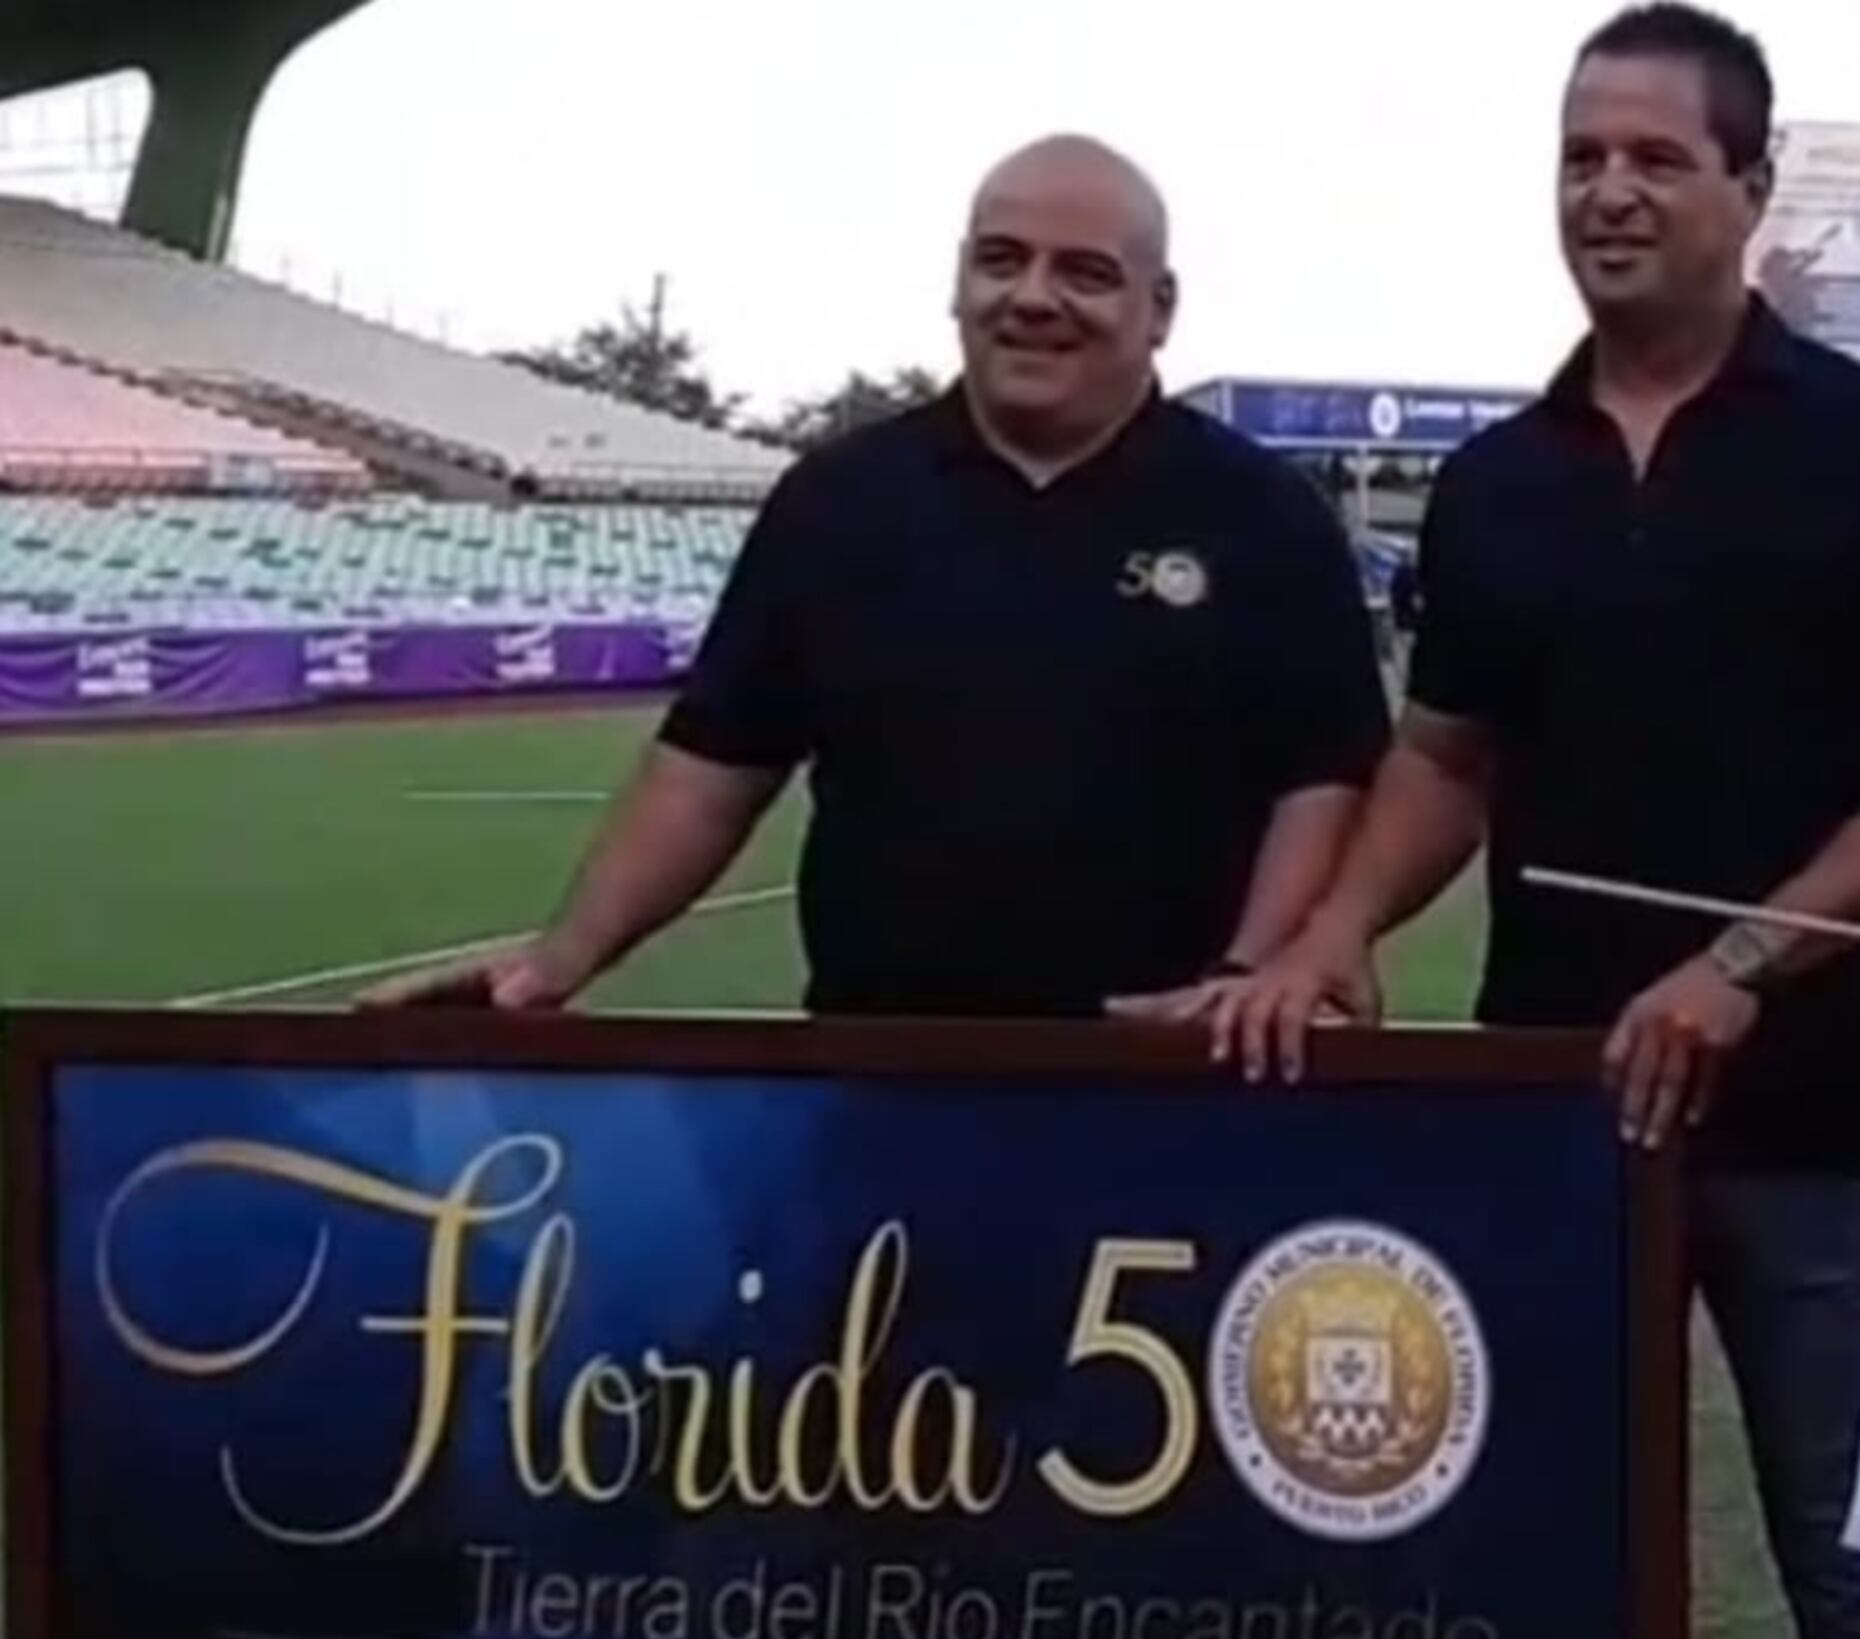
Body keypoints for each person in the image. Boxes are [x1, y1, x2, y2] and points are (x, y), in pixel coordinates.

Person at [1211, 9, 1860, 1639]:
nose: (1609, 190)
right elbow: (1444, 761)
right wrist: (1335, 932)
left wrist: (1744, 966)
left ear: (1750, 188)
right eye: (1582, 155)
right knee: (1538, 1558)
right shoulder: (1500, 480)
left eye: (1658, 156)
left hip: (1812, 1122)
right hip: (1550, 1125)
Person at [363, 135, 1386, 1020]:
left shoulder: (1262, 514)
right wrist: (558, 959)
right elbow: (711, 771)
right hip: (873, 1070)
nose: (1032, 297)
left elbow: (1326, 778)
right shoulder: (836, 502)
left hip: (1173, 1066)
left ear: (1158, 308)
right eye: (1001, 260)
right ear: (956, 284)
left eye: (1083, 271)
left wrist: (1248, 969)